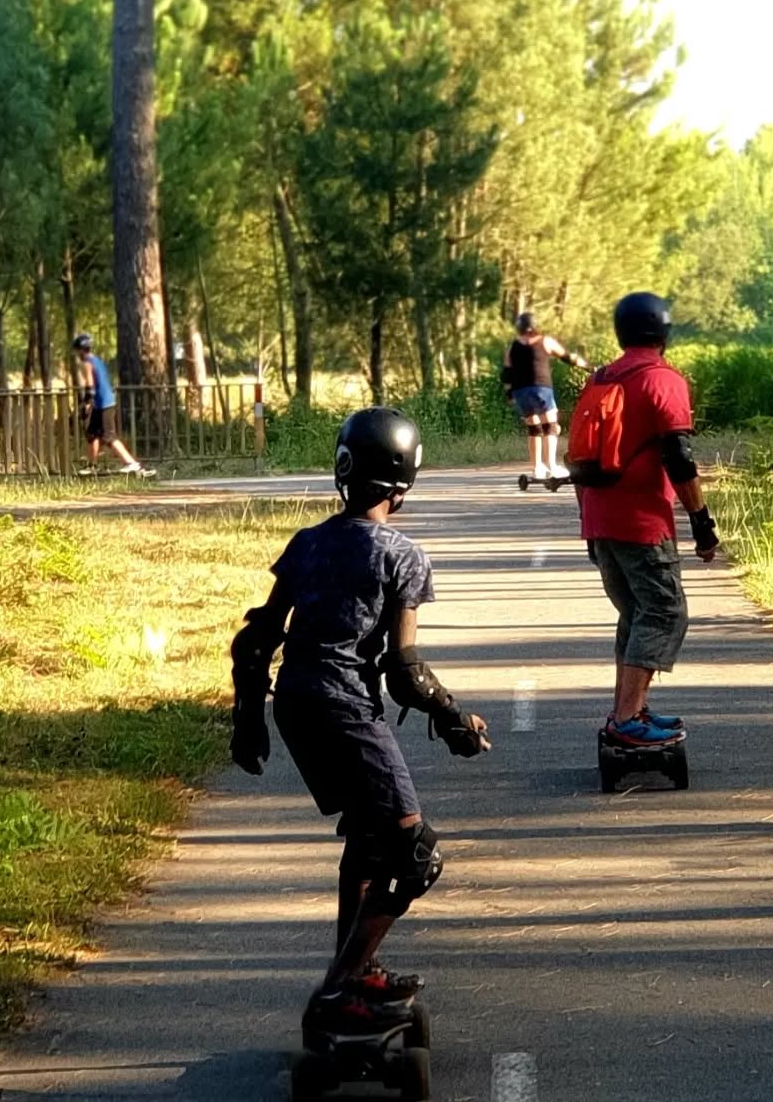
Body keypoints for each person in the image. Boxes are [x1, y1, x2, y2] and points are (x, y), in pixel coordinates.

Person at [229, 407, 492, 1037]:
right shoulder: (401, 555)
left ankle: (361, 969)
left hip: (295, 702)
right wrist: (455, 718)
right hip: (346, 708)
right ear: (405, 484)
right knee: (415, 852)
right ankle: (338, 989)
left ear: (343, 470)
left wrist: (249, 719)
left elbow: (256, 640)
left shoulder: (307, 543)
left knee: (370, 841)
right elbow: (405, 671)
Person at [574, 291, 719, 747]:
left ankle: (630, 710)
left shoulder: (601, 377)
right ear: (664, 331)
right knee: (664, 612)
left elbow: (579, 459)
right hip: (641, 522)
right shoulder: (662, 380)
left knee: (635, 614)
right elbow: (679, 456)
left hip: (600, 518)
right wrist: (702, 521)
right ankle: (626, 720)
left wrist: (589, 526)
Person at [500, 311, 589, 480]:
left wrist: (509, 393)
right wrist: (589, 368)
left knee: (534, 427)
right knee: (551, 426)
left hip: (521, 391)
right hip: (541, 388)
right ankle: (551, 466)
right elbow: (568, 358)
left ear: (518, 328)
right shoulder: (545, 341)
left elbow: (506, 373)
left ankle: (537, 468)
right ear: (536, 326)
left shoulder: (512, 347)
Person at [72, 333, 148, 475]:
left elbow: (90, 386)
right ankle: (92, 465)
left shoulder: (86, 363)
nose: (76, 354)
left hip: (103, 404)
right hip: (103, 403)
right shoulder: (98, 360)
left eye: (77, 351)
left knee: (109, 437)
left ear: (81, 350)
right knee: (92, 434)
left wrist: (85, 404)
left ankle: (132, 463)